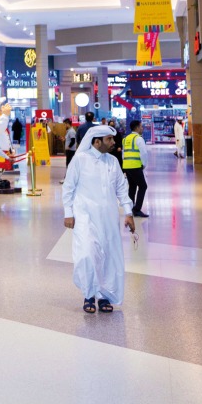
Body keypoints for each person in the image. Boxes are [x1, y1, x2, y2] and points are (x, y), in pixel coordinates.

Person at [62, 125, 135, 313]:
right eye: (109, 139)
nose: (113, 142)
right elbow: (68, 187)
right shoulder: (79, 160)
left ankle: (104, 296)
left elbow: (121, 188)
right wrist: (68, 213)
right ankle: (89, 294)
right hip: (84, 216)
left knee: (108, 256)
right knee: (87, 254)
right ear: (97, 141)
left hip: (109, 218)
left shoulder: (113, 162)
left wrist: (128, 212)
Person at [123, 120, 148, 218]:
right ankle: (137, 209)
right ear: (137, 128)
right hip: (136, 165)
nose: (142, 128)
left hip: (127, 165)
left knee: (132, 187)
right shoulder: (139, 139)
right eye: (141, 127)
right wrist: (144, 164)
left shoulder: (126, 138)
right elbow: (144, 153)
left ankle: (129, 208)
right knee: (143, 186)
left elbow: (123, 153)